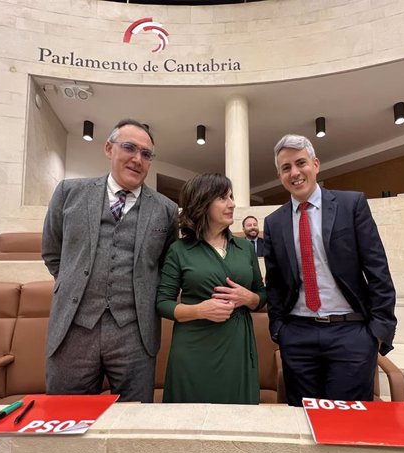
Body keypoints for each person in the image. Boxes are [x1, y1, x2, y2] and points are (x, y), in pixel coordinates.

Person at [41, 119, 178, 401]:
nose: (137, 159)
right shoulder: (69, 193)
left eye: (146, 154)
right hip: (73, 330)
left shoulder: (166, 209)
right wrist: (76, 285)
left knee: (133, 423)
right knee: (65, 416)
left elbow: (167, 265)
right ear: (108, 148)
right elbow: (52, 253)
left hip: (135, 333)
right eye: (129, 147)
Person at [263, 134, 397, 406]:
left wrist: (378, 333)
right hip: (297, 335)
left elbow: (378, 270)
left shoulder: (352, 205)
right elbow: (275, 283)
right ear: (279, 175)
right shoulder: (273, 222)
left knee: (348, 426)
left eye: (301, 163)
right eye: (286, 167)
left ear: (316, 164)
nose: (295, 172)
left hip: (351, 333)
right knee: (304, 419)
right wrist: (280, 330)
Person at [156, 173, 266, 404]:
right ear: (202, 203)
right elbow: (163, 303)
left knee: (237, 421)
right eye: (223, 197)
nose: (233, 204)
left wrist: (250, 298)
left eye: (232, 196)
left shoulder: (245, 248)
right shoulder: (179, 250)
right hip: (193, 349)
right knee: (189, 423)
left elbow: (262, 295)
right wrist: (199, 310)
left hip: (236, 347)